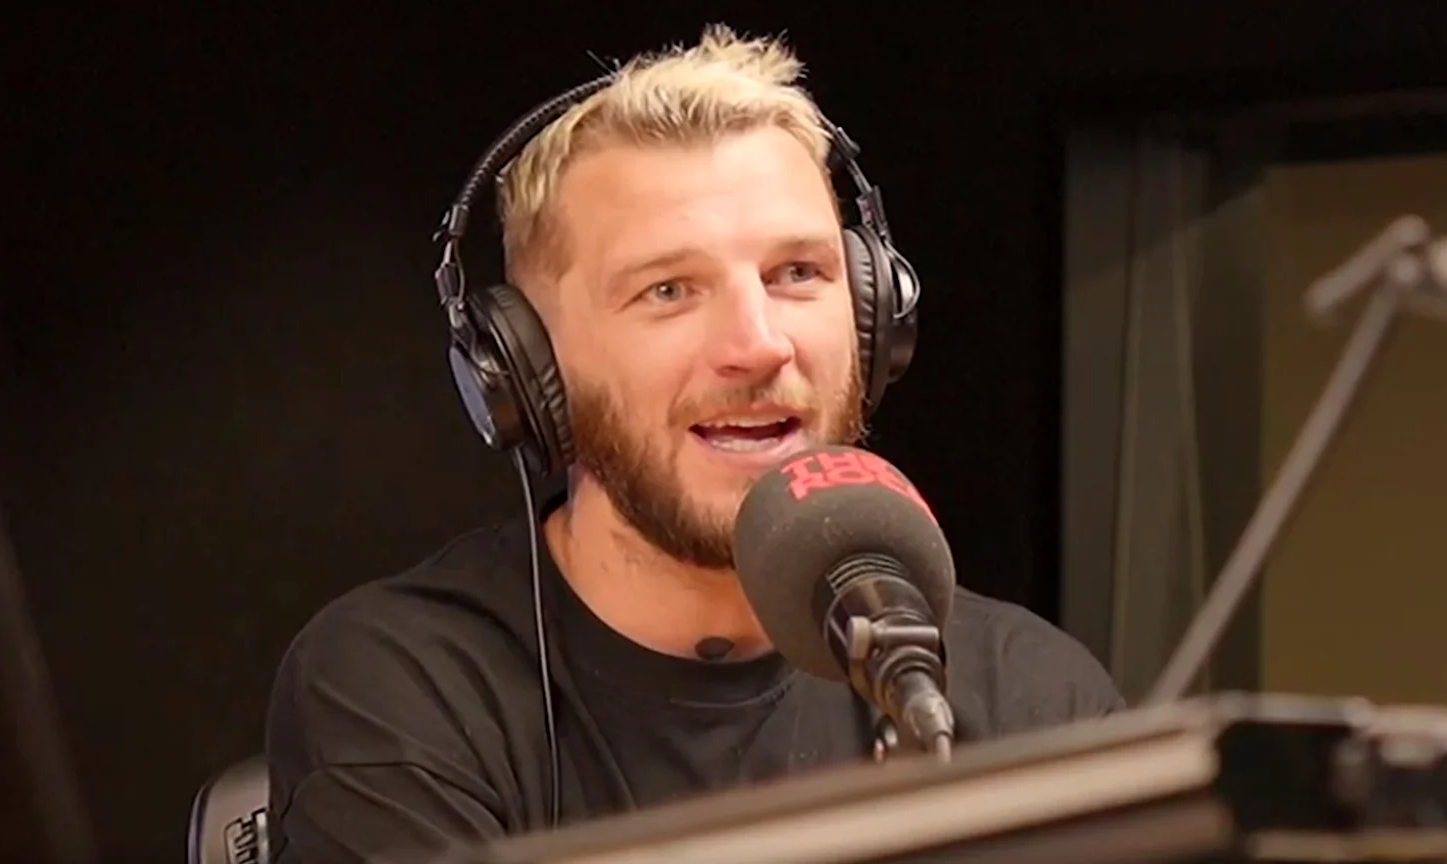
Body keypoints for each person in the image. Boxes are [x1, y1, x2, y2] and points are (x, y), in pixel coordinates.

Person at [265, 24, 1123, 864]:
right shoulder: (402, 689)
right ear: (530, 369)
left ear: (874, 318)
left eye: (797, 274)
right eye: (669, 290)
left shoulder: (1026, 696)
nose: (757, 344)